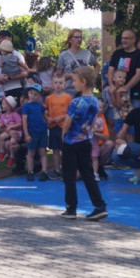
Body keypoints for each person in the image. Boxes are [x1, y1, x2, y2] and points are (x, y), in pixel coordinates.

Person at [59, 66, 108, 221]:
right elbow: (93, 122)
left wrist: (63, 135)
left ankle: (71, 208)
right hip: (86, 140)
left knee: (69, 175)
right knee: (87, 174)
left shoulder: (76, 102)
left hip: (71, 141)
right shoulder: (94, 101)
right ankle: (99, 205)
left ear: (83, 81)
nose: (72, 84)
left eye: (74, 81)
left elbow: (68, 121)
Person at [108, 29, 140, 108]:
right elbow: (110, 71)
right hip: (115, 94)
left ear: (133, 39)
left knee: (133, 118)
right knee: (114, 118)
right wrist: (111, 85)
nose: (123, 40)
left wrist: (125, 88)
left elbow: (139, 74)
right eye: (122, 38)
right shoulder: (117, 53)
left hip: (134, 95)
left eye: (126, 38)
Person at [56, 29, 97, 96]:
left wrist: (93, 76)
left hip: (84, 91)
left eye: (80, 37)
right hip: (68, 91)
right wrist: (70, 76)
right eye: (76, 37)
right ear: (70, 40)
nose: (79, 39)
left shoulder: (87, 53)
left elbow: (97, 65)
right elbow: (58, 76)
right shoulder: (63, 55)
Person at [21, 84, 49, 181]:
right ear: (28, 94)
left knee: (42, 151)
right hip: (32, 131)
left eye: (35, 94)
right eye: (31, 93)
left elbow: (45, 115)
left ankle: (44, 171)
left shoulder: (40, 105)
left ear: (39, 96)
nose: (33, 96)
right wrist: (26, 134)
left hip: (42, 130)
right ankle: (30, 171)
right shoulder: (26, 106)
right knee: (31, 152)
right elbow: (24, 120)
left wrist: (49, 120)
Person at [45, 75, 71, 178]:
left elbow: (71, 112)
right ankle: (57, 169)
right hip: (53, 127)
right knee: (55, 149)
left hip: (64, 126)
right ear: (52, 85)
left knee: (65, 149)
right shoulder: (49, 98)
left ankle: (66, 169)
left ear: (64, 85)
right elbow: (45, 111)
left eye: (60, 83)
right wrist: (48, 118)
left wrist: (62, 117)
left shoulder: (68, 97)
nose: (58, 85)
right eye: (56, 83)